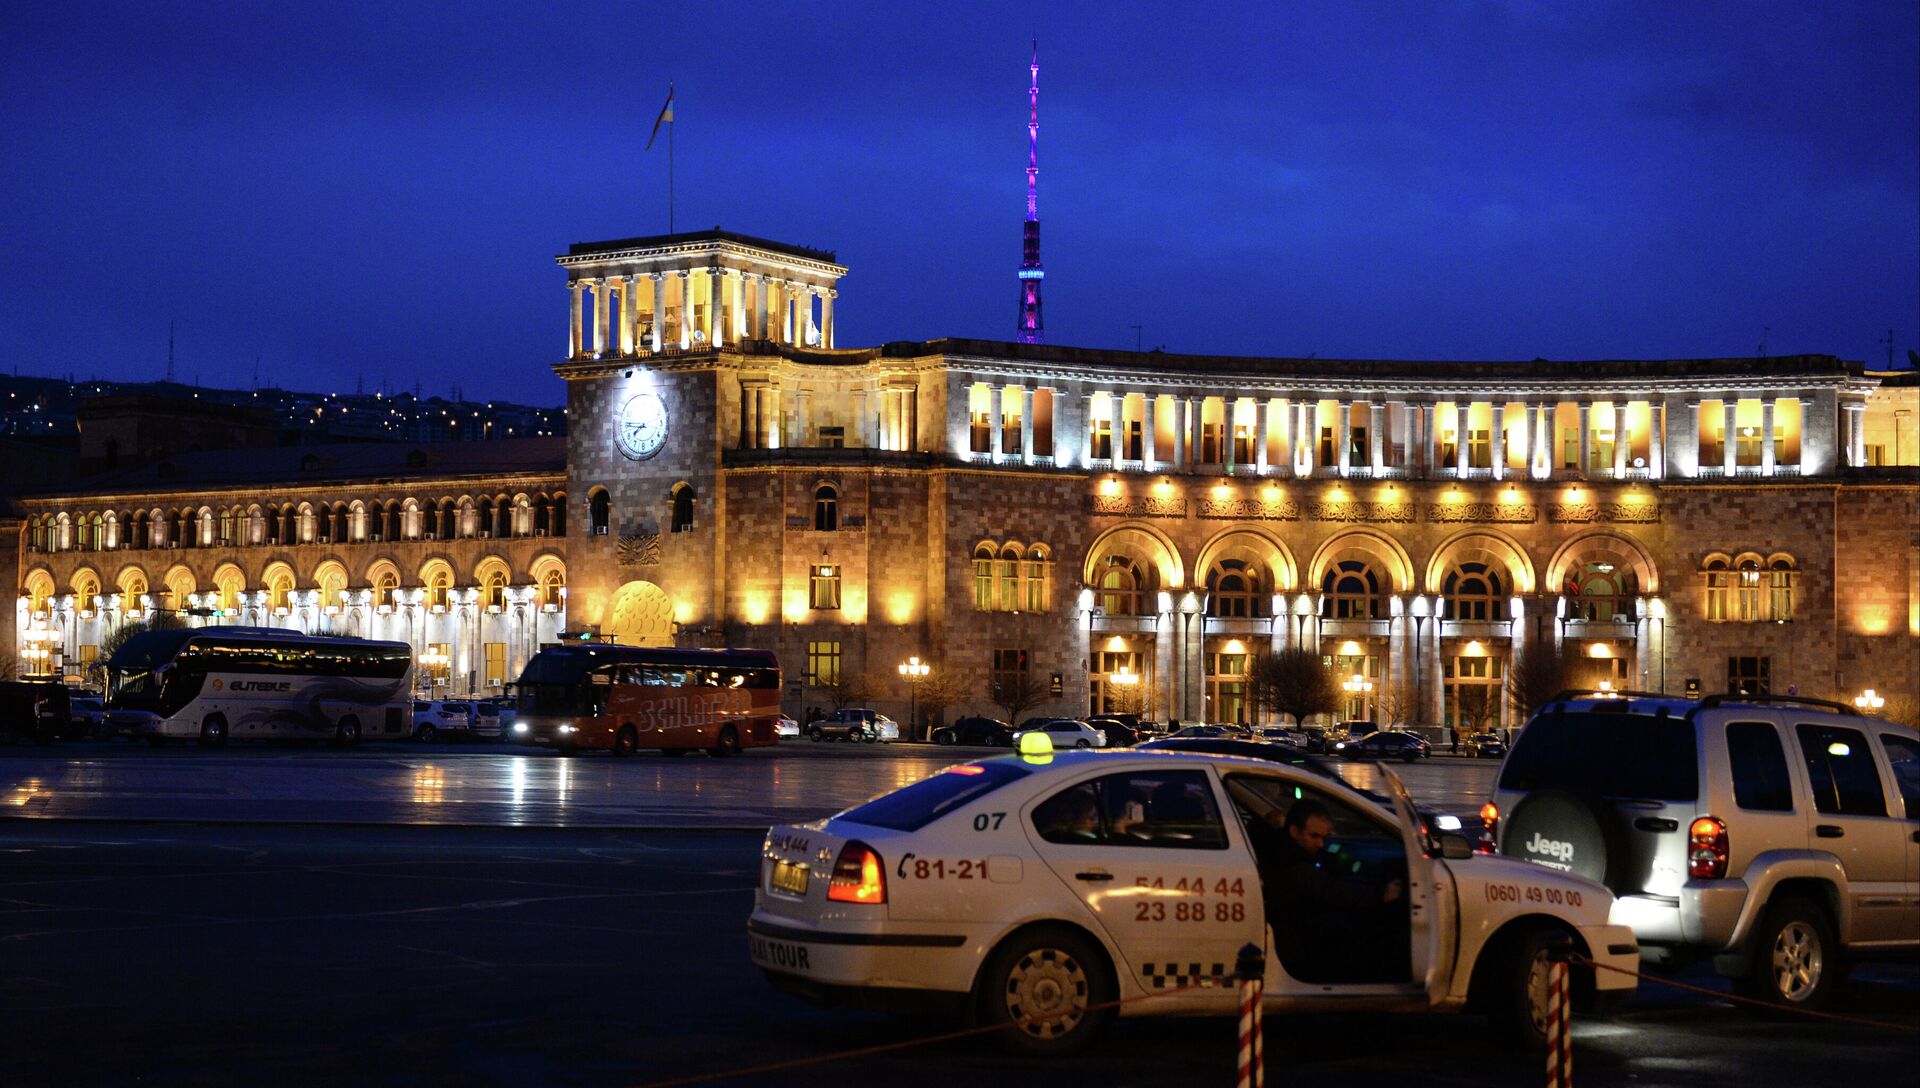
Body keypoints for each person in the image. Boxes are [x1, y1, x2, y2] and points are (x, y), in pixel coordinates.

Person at [1253, 799, 1404, 983]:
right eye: (1314, 836)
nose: (1321, 844)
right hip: (1296, 939)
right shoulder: (1290, 861)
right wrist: (1380, 895)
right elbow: (1330, 891)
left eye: (1324, 837)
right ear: (1294, 831)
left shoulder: (1282, 845)